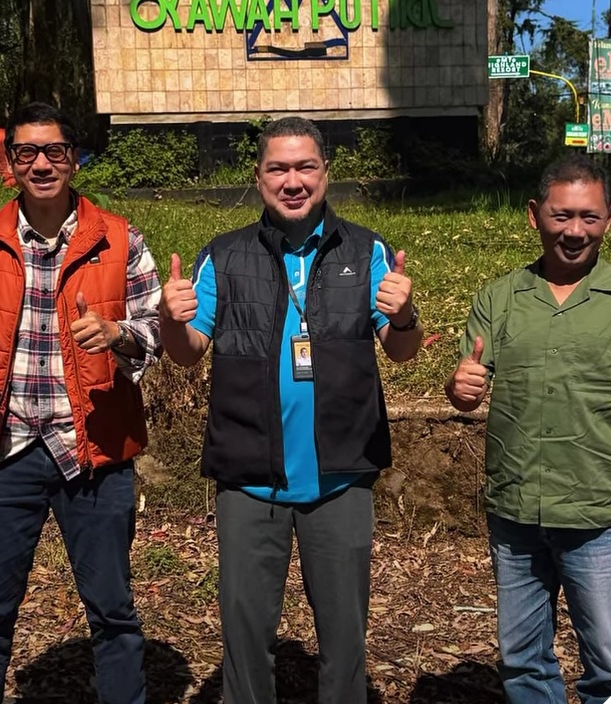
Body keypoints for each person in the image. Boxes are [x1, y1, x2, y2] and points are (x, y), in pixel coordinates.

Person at [160, 116, 422, 704]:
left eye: (306, 166)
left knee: (346, 643)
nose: (293, 180)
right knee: (245, 641)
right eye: (278, 168)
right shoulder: (224, 256)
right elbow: (188, 353)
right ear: (258, 178)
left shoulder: (367, 250)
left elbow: (400, 352)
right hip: (249, 478)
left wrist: (404, 315)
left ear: (326, 172)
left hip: (340, 477)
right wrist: (170, 320)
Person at [0, 102, 162, 704]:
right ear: (10, 163)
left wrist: (119, 335)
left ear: (74, 159)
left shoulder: (120, 239)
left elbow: (156, 331)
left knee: (112, 611)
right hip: (2, 453)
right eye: (27, 152)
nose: (42, 164)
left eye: (55, 151)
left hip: (94, 451)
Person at [445, 155, 611, 704]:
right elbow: (467, 385)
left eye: (589, 217)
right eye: (562, 216)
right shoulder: (499, 298)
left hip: (597, 512)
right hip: (515, 508)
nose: (575, 231)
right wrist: (460, 386)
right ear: (534, 214)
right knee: (523, 662)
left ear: (610, 217)